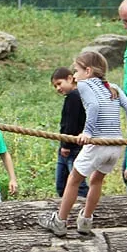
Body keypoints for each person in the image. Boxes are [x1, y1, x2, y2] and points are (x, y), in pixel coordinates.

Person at [40, 51, 127, 237]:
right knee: (97, 180)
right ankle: (85, 220)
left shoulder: (84, 84)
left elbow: (93, 106)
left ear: (87, 71)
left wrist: (88, 131)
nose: (74, 75)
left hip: (98, 143)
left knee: (73, 180)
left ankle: (60, 221)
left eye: (77, 70)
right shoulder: (112, 87)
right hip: (115, 145)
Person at [51, 67, 88, 198]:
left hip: (73, 147)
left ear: (70, 78)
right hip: (67, 145)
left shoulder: (74, 96)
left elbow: (71, 123)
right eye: (55, 86)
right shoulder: (73, 96)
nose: (57, 88)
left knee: (76, 183)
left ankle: (83, 206)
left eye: (59, 84)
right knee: (63, 183)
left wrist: (66, 145)